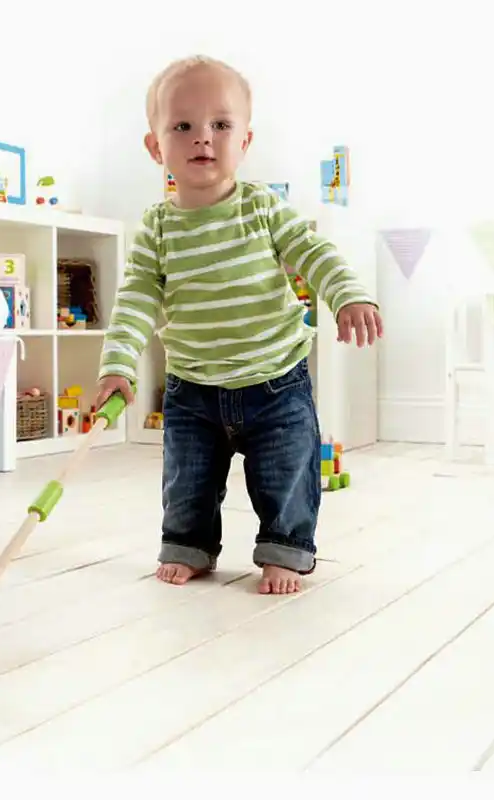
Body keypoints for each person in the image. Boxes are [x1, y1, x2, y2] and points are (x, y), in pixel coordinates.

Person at [94, 55, 383, 595]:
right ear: (157, 148)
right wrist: (117, 366)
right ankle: (189, 544)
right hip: (192, 388)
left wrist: (346, 295)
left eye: (220, 125)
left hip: (275, 381)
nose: (202, 138)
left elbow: (313, 252)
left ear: (244, 141)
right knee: (187, 481)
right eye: (182, 126)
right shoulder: (157, 229)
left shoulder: (263, 209)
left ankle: (285, 547)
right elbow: (134, 300)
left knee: (287, 474)